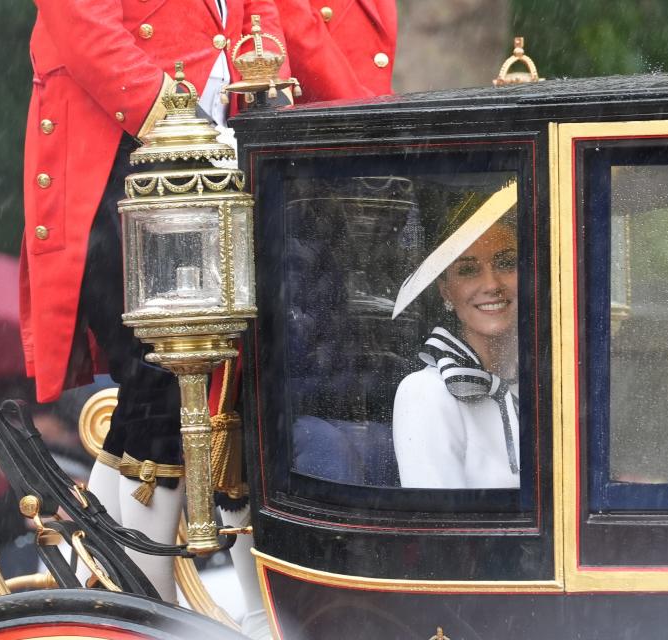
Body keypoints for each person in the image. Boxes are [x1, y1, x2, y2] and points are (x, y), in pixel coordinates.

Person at [19, 0, 397, 614]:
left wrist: (265, 91)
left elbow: (260, 15)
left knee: (216, 394)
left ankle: (144, 602)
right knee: (164, 381)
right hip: (129, 157)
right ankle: (148, 609)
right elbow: (84, 28)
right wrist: (179, 121)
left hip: (222, 160)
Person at [391, 182, 520, 489]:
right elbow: (444, 530)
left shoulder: (551, 380)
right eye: (468, 270)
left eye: (506, 264)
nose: (492, 284)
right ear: (445, 290)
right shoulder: (425, 394)